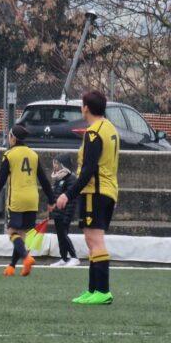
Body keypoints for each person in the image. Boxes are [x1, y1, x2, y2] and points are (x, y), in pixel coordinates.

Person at [56, 91, 119, 305]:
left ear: (85, 108)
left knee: (95, 240)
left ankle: (102, 291)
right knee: (92, 239)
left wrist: (68, 194)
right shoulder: (110, 128)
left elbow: (88, 170)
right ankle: (93, 290)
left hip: (95, 191)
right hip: (108, 191)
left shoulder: (93, 133)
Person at [0, 125, 55, 277]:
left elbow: (0, 180)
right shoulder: (33, 155)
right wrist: (51, 199)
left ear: (13, 138)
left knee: (12, 232)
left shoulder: (9, 155)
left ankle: (26, 258)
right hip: (32, 199)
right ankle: (12, 266)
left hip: (17, 199)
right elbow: (44, 180)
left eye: (9, 136)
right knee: (24, 235)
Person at [50, 154, 79, 267]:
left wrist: (67, 215)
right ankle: (63, 257)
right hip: (58, 213)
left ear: (63, 165)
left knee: (63, 235)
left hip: (65, 213)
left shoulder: (70, 178)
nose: (55, 166)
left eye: (57, 163)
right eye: (54, 163)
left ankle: (74, 256)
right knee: (60, 236)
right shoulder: (58, 178)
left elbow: (72, 199)